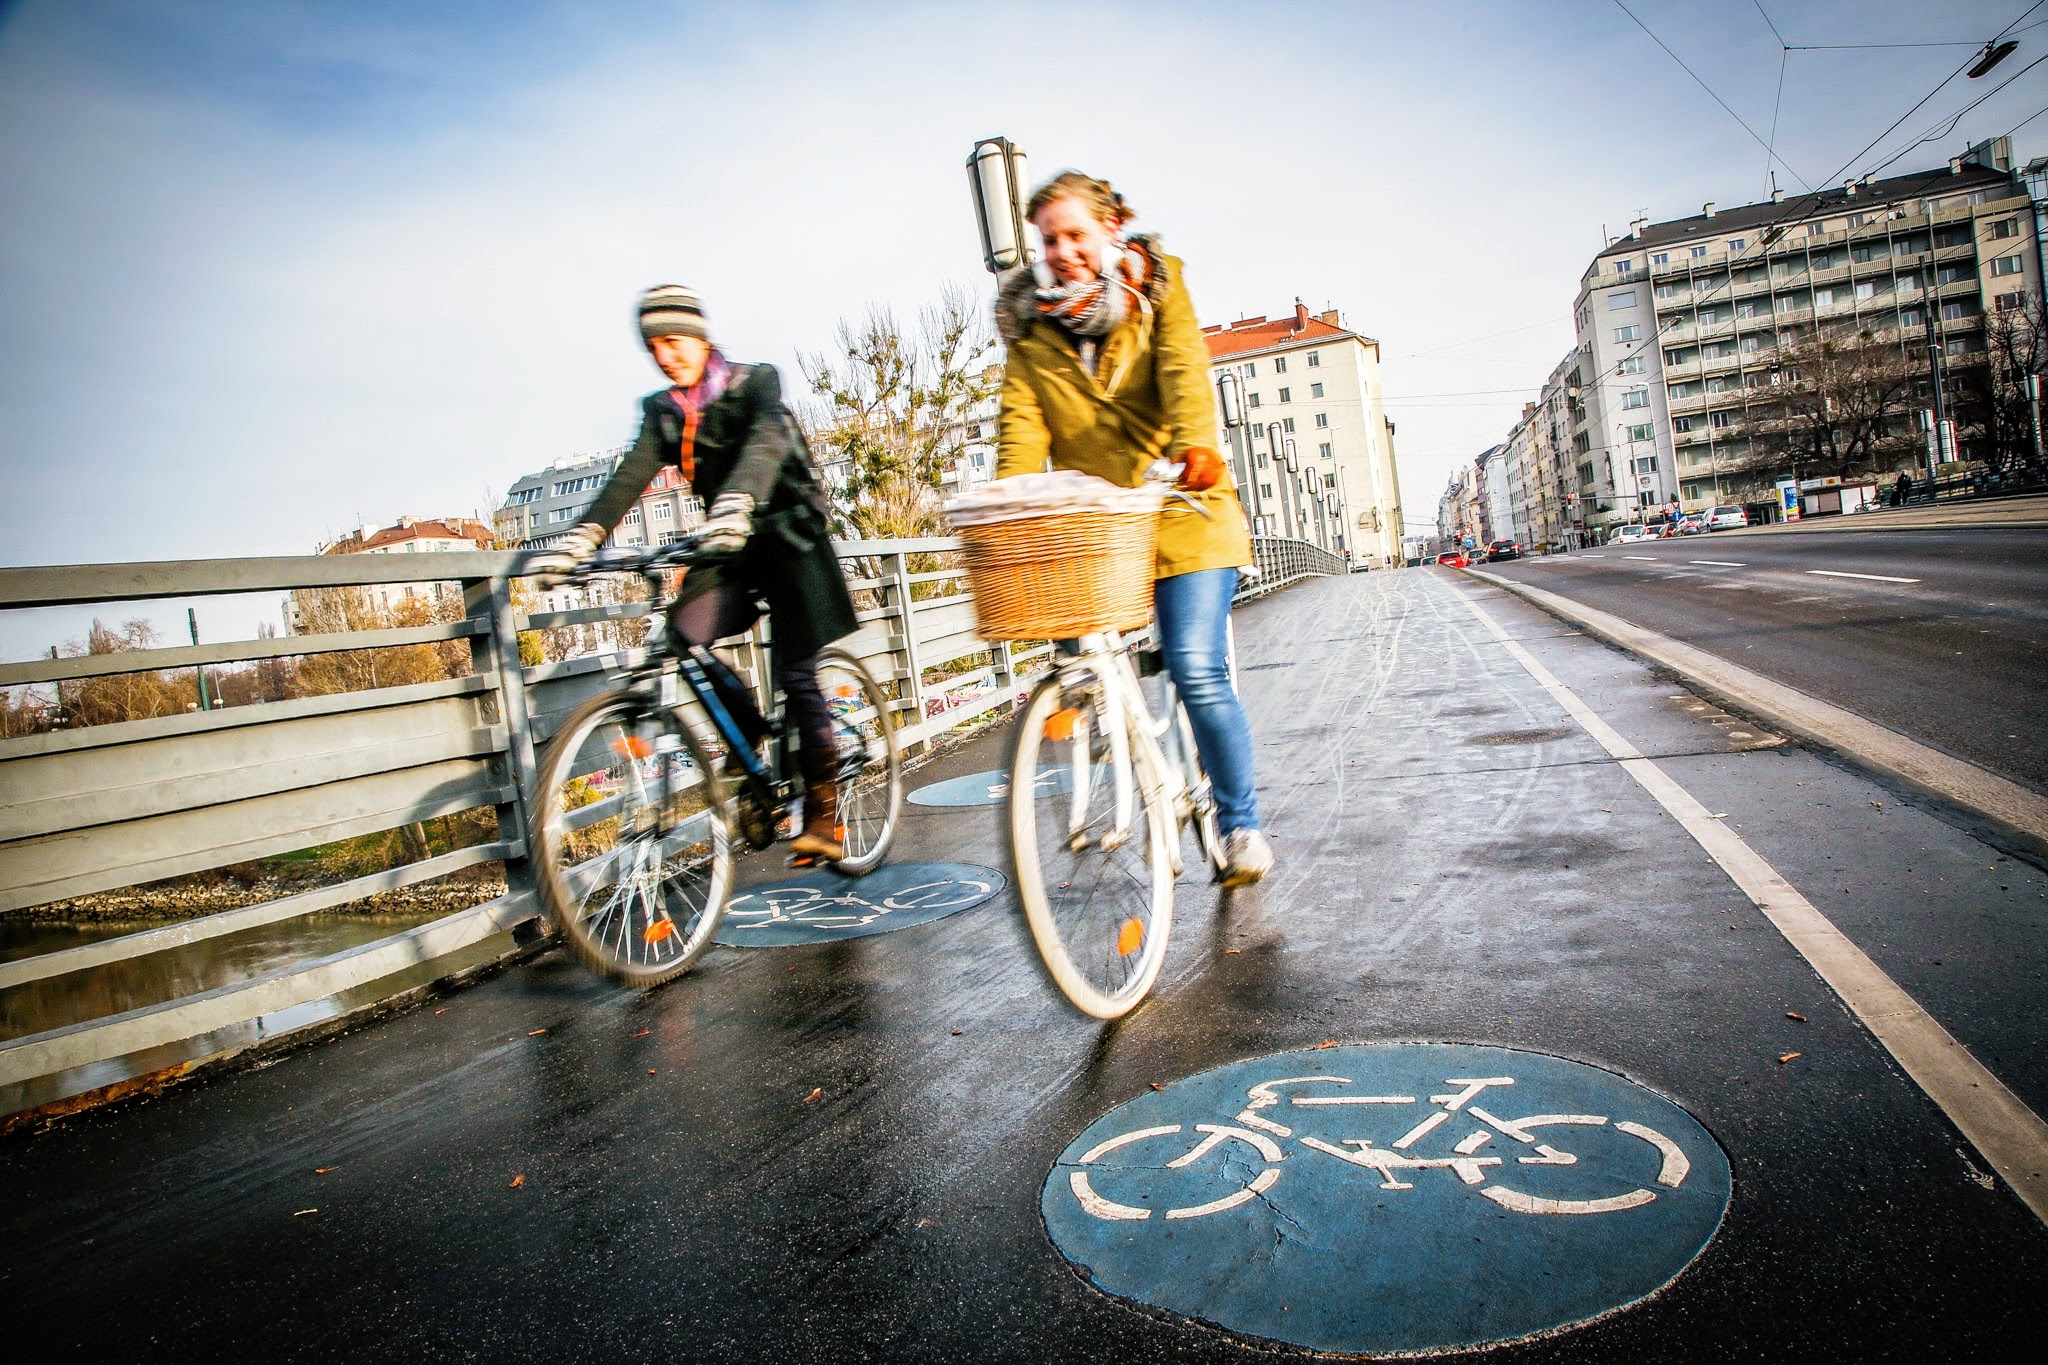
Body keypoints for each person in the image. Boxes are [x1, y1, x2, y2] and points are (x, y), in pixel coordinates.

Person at [992, 171, 1274, 886]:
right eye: (1049, 239)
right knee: (1075, 659)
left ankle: (1241, 826)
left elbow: (1183, 369)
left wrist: (1195, 446)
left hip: (1185, 505)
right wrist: (1010, 498)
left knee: (1194, 666)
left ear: (1110, 230)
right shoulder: (1031, 335)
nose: (1062, 251)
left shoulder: (1159, 292)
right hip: (1101, 530)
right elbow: (1022, 430)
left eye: (1076, 234)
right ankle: (1106, 728)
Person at [529, 285, 859, 861]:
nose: (664, 355)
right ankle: (748, 725)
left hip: (789, 534)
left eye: (673, 340)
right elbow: (629, 477)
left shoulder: (754, 382)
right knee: (685, 633)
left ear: (701, 337)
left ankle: (826, 815)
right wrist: (582, 538)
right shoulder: (663, 412)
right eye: (653, 346)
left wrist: (736, 501)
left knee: (798, 673)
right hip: (728, 542)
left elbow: (764, 442)